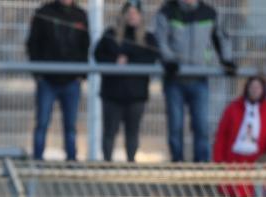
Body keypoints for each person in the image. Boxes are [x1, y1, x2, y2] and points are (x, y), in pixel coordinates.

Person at [155, 0, 235, 162]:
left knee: (201, 126)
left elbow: (221, 37)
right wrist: (169, 60)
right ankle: (177, 164)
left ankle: (201, 167)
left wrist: (226, 60)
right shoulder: (167, 11)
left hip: (199, 80)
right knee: (175, 127)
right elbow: (160, 40)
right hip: (174, 80)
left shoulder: (209, 13)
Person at [93, 0, 159, 162]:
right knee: (109, 132)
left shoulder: (148, 38)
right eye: (128, 13)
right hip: (112, 95)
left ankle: (131, 163)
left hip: (136, 96)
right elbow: (98, 55)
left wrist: (128, 61)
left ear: (141, 16)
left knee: (132, 133)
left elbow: (151, 58)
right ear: (122, 15)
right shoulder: (110, 34)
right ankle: (107, 164)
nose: (132, 17)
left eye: (135, 13)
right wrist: (115, 61)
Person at [26, 0, 89, 161]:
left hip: (71, 81)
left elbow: (85, 46)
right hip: (47, 80)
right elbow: (33, 43)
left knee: (71, 126)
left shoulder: (80, 15)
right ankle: (37, 164)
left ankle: (71, 164)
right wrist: (38, 73)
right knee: (42, 124)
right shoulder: (44, 12)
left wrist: (81, 74)